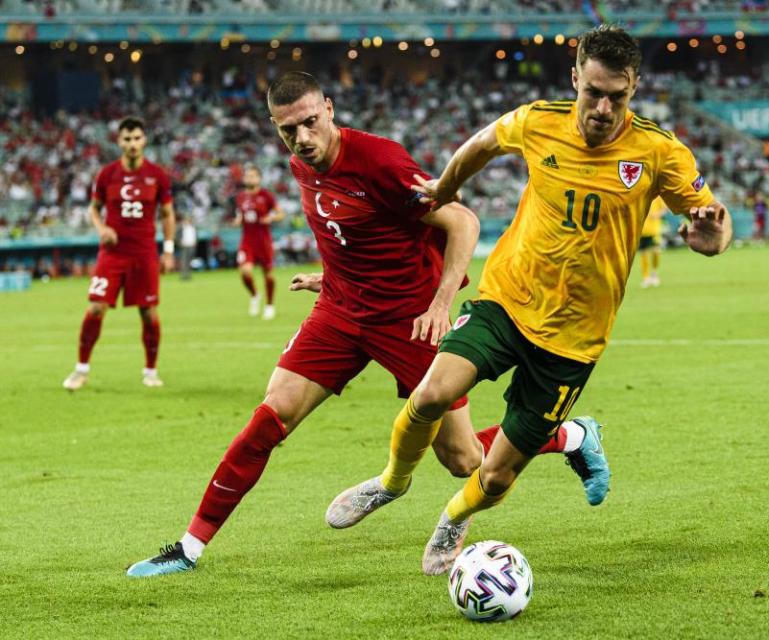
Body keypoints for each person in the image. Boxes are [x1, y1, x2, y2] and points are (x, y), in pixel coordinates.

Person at [125, 71, 606, 577]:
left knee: (464, 461)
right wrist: (329, 273)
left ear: (329, 109)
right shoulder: (300, 163)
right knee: (272, 415)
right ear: (275, 128)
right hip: (340, 310)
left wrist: (441, 303)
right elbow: (348, 225)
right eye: (289, 130)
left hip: (408, 318)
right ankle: (189, 548)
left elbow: (462, 221)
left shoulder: (380, 161)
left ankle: (569, 435)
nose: (303, 138)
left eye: (311, 123)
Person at [327, 24, 733, 576]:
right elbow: (480, 145)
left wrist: (711, 238)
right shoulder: (538, 120)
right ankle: (391, 482)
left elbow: (711, 221)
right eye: (593, 92)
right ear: (575, 80)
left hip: (573, 341)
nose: (603, 108)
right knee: (430, 396)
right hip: (507, 302)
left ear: (634, 87)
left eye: (618, 95)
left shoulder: (659, 152)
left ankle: (453, 517)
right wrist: (445, 189)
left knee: (493, 477)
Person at [62, 117, 176, 390]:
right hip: (112, 254)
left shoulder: (157, 175)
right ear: (119, 141)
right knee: (96, 307)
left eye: (137, 138)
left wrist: (168, 249)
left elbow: (168, 213)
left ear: (144, 140)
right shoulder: (106, 174)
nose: (132, 143)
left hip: (144, 253)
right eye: (127, 139)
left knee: (148, 312)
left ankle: (150, 371)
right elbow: (93, 208)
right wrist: (101, 228)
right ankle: (81, 370)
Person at [234, 164, 284, 320]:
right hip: (247, 240)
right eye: (247, 176)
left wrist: (270, 217)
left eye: (253, 176)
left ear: (259, 178)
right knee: (245, 272)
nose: (250, 178)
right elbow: (241, 215)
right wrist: (238, 220)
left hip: (263, 240)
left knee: (268, 274)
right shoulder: (240, 196)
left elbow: (280, 213)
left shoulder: (266, 195)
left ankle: (269, 305)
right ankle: (255, 295)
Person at [639, 196, 667, 288]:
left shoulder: (657, 195)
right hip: (642, 229)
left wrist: (657, 214)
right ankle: (646, 278)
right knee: (643, 253)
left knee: (656, 251)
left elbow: (664, 209)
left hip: (654, 229)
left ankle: (654, 273)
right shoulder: (640, 193)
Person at [178, 215, 198, 280]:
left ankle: (188, 275)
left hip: (191, 246)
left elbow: (195, 236)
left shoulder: (193, 227)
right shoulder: (182, 227)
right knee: (183, 261)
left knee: (189, 261)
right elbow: (177, 236)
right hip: (184, 246)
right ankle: (183, 275)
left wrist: (195, 242)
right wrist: (179, 242)